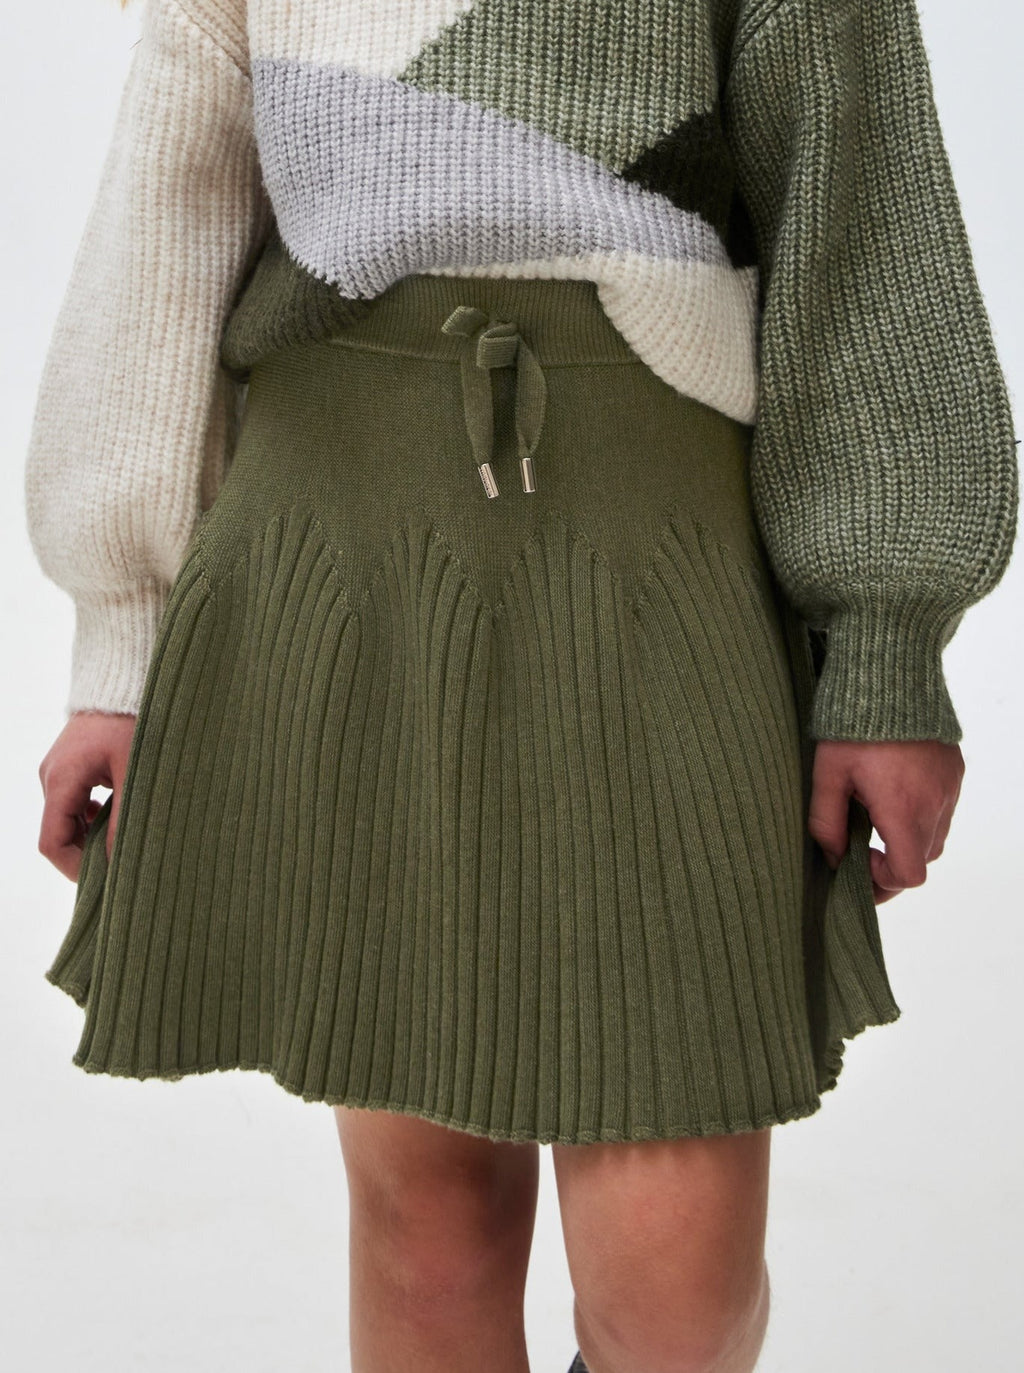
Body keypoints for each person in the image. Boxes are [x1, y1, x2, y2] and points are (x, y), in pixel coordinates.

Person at [25, 2, 1018, 1371]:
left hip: (659, 555)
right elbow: (165, 216)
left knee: (678, 1303)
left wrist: (886, 646)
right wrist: (121, 646)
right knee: (428, 1237)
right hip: (346, 545)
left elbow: (863, 218)